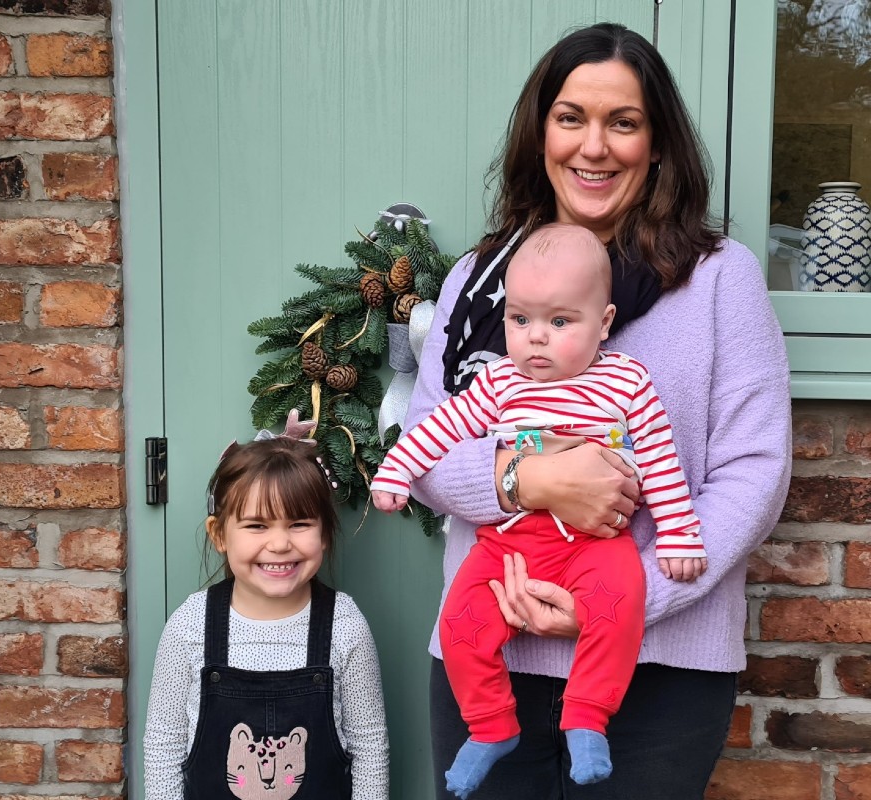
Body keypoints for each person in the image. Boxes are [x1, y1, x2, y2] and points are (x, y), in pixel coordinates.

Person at [402, 22, 792, 800]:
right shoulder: (481, 282)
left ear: (657, 144)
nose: (595, 147)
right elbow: (425, 447)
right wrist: (530, 480)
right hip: (490, 657)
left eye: (624, 122)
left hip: (661, 665)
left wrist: (621, 598)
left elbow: (755, 473)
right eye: (572, 117)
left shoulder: (719, 280)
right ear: (540, 132)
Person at [373, 223, 705, 797]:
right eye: (520, 319)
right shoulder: (500, 381)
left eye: (559, 322)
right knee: (459, 627)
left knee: (618, 604)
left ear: (603, 323)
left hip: (596, 545)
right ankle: (490, 726)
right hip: (507, 545)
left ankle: (586, 718)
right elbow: (440, 429)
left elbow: (659, 460)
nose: (535, 339)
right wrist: (398, 468)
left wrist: (677, 534)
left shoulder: (627, 381)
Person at [142, 429, 389, 800]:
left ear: (324, 533)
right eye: (257, 525)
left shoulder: (344, 624)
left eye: (299, 524)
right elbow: (163, 748)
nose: (278, 544)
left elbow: (369, 749)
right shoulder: (191, 625)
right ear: (219, 534)